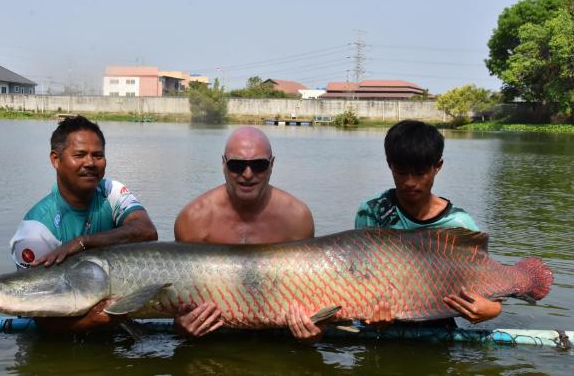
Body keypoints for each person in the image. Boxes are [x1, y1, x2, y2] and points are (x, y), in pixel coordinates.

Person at [9, 115, 158, 332]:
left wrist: (84, 242)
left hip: (113, 315)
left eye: (98, 155)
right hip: (61, 333)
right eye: (79, 155)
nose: (90, 163)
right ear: (55, 160)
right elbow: (38, 315)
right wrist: (91, 322)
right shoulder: (35, 231)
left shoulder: (111, 191)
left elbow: (146, 231)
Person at [173, 126, 321, 340]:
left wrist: (313, 328)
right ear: (223, 164)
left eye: (259, 165)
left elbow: (309, 291)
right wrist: (181, 325)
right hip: (213, 336)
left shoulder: (297, 218)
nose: (248, 174)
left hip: (278, 336)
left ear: (272, 165)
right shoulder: (193, 219)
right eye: (237, 165)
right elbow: (181, 298)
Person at [354, 120, 502, 326]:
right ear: (389, 164)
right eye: (401, 172)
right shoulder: (372, 212)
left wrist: (493, 309)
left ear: (437, 166)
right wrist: (368, 314)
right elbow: (359, 276)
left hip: (438, 326)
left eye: (420, 173)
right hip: (380, 326)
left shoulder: (458, 224)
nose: (409, 182)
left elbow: (488, 282)